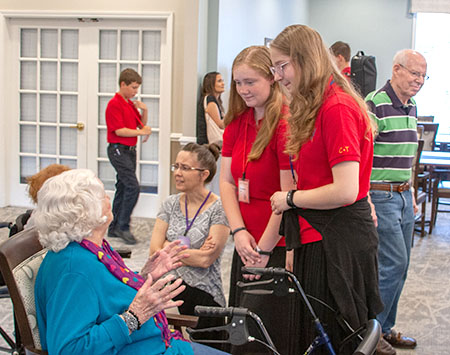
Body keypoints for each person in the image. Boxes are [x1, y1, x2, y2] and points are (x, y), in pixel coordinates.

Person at [260, 25, 383, 354]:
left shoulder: (336, 107)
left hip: (335, 239)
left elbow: (345, 189)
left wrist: (288, 199)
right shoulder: (320, 105)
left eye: (282, 66)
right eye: (274, 68)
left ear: (305, 60)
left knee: (334, 337)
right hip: (320, 234)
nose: (277, 76)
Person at [34, 169, 230, 355]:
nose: (109, 199)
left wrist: (145, 276)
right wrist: (133, 317)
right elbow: (70, 350)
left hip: (156, 345)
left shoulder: (92, 248)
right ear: (85, 211)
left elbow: (105, 298)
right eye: (103, 195)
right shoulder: (74, 270)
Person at [219, 45, 296, 355]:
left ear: (272, 79)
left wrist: (262, 251)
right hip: (245, 242)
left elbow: (286, 197)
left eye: (251, 82)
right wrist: (238, 233)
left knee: (260, 334)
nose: (243, 90)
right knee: (238, 329)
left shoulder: (286, 124)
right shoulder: (237, 122)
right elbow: (226, 182)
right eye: (238, 82)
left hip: (273, 245)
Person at [366, 49, 427, 354]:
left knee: (401, 267)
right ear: (397, 69)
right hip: (381, 195)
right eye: (415, 73)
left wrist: (413, 192)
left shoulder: (412, 105)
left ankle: (385, 329)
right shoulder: (374, 103)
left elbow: (408, 159)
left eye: (423, 76)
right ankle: (371, 335)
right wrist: (367, 199)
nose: (419, 81)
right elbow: (363, 156)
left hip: (403, 195)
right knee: (392, 263)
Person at [150, 142, 229, 349]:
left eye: (185, 168)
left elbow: (206, 260)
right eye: (176, 167)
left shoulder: (219, 208)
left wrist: (168, 247)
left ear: (203, 174)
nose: (177, 173)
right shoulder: (170, 203)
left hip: (205, 294)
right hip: (170, 290)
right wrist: (191, 252)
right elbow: (153, 251)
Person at [106, 68, 152, 245]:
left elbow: (141, 124)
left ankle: (114, 226)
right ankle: (123, 226)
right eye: (133, 87)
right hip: (118, 149)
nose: (135, 92)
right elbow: (120, 131)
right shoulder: (114, 104)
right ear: (122, 84)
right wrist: (141, 133)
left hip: (129, 150)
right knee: (133, 186)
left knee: (123, 186)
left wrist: (145, 111)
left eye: (137, 88)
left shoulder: (129, 104)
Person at [196, 72, 225, 146]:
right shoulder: (210, 99)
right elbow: (220, 124)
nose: (223, 83)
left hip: (207, 144)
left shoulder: (215, 101)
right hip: (207, 145)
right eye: (219, 81)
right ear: (211, 84)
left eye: (222, 80)